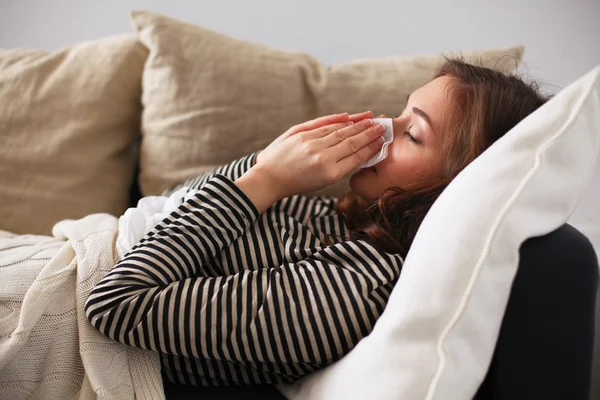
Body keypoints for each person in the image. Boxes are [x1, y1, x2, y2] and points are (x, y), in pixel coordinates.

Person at [84, 58, 549, 388]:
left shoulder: (354, 290)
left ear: (461, 187)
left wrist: (265, 179)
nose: (383, 126)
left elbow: (115, 304)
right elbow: (177, 207)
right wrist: (267, 164)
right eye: (400, 110)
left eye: (412, 133)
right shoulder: (338, 215)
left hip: (54, 314)